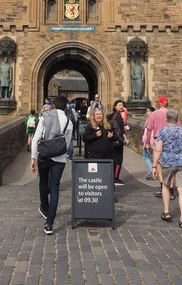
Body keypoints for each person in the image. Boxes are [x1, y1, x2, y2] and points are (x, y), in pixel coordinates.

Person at [31, 95, 73, 235]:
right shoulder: (69, 121)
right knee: (54, 188)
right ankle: (49, 224)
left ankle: (44, 208)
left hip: (44, 155)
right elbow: (67, 144)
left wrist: (33, 157)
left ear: (54, 105)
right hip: (59, 159)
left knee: (43, 182)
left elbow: (36, 137)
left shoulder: (45, 116)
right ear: (66, 106)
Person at [152, 108, 182, 229]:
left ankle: (166, 212)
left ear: (166, 119)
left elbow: (158, 149)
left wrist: (154, 165)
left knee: (166, 185)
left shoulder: (163, 131)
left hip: (167, 162)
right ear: (178, 119)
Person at [82, 108, 118, 202]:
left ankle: (110, 194)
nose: (99, 116)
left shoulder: (108, 125)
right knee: (95, 176)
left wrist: (112, 137)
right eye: (97, 114)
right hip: (95, 155)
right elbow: (85, 138)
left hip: (108, 154)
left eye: (100, 114)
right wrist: (95, 135)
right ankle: (95, 194)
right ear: (93, 116)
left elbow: (115, 137)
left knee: (108, 175)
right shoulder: (90, 126)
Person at [109, 99, 129, 185]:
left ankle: (112, 176)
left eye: (122, 105)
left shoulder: (110, 115)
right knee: (118, 159)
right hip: (118, 140)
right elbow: (121, 130)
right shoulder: (119, 116)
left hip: (112, 139)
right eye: (119, 105)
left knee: (113, 158)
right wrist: (126, 139)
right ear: (115, 106)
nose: (121, 106)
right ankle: (115, 178)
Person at [141, 106, 156, 179]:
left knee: (146, 156)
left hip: (149, 140)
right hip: (154, 140)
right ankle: (155, 171)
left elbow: (147, 132)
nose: (147, 113)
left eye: (149, 111)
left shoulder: (149, 120)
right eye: (147, 111)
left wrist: (146, 142)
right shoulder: (155, 120)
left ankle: (151, 171)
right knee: (154, 156)